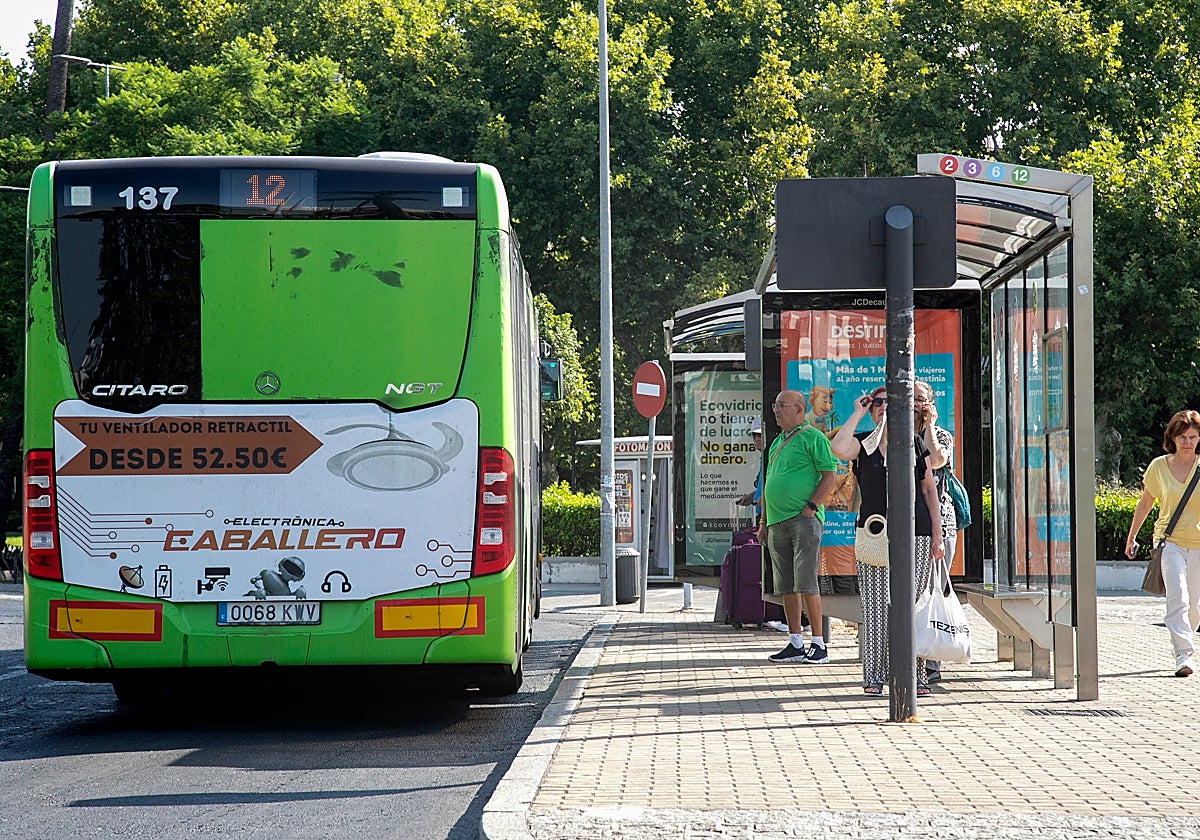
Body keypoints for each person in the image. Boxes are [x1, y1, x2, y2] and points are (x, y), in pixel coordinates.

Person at [830, 385, 945, 695]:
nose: (883, 407)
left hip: (916, 532)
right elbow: (838, 449)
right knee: (875, 605)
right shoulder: (864, 444)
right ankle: (874, 675)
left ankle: (916, 674)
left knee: (914, 603)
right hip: (874, 533)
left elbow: (929, 488)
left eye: (889, 403)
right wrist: (857, 412)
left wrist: (937, 534)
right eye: (877, 403)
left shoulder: (913, 443)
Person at [756, 390, 841, 663]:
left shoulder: (813, 437)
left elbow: (830, 475)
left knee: (806, 582)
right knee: (786, 586)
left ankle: (819, 644)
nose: (776, 410)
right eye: (775, 404)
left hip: (803, 520)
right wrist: (762, 521)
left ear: (799, 409)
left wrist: (811, 508)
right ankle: (795, 641)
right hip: (776, 521)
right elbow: (769, 484)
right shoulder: (778, 441)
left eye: (782, 405)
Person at [1124, 410, 1200, 677]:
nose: (1188, 442)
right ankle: (1184, 654)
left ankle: (1184, 644)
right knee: (1177, 596)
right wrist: (1132, 535)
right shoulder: (1159, 466)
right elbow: (1145, 503)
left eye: (1192, 437)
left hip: (1199, 543)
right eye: (1182, 437)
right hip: (1169, 542)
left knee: (1195, 605)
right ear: (1173, 437)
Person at [914, 379, 956, 683]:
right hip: (907, 523)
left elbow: (938, 458)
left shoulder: (939, 435)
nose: (915, 404)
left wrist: (928, 424)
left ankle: (931, 662)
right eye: (910, 398)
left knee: (933, 591)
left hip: (939, 520)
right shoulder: (895, 433)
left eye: (920, 399)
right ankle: (913, 656)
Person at [735, 418, 764, 514]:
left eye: (759, 435)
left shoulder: (772, 457)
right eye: (754, 435)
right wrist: (752, 496)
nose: (756, 439)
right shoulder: (763, 459)